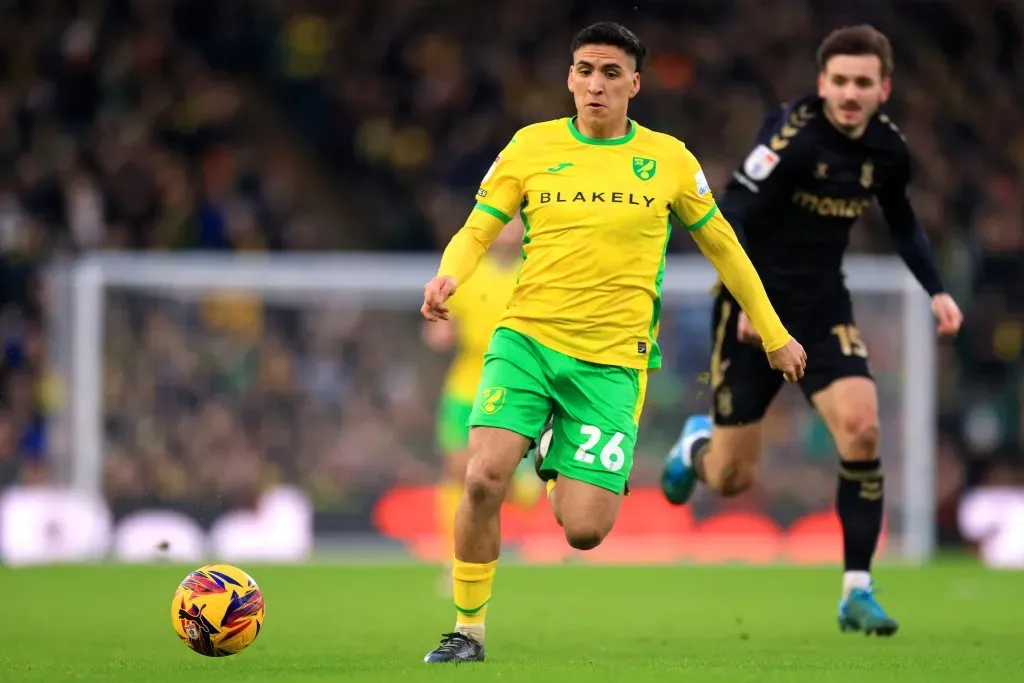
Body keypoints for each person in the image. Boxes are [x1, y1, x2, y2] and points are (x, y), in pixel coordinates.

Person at [420, 21, 806, 663]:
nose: (594, 84)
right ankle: (467, 630)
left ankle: (550, 447)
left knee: (586, 531)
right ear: (570, 78)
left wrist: (774, 333)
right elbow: (476, 229)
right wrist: (448, 275)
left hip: (611, 365)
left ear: (634, 84)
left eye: (608, 73)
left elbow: (724, 248)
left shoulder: (671, 160)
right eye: (583, 71)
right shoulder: (530, 147)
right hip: (528, 343)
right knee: (483, 477)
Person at [660, 25, 963, 636]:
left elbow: (902, 223)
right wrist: (751, 302)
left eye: (863, 83)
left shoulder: (887, 150)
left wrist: (936, 290)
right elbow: (731, 213)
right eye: (841, 81)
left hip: (824, 307)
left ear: (884, 88)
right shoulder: (789, 137)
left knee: (863, 428)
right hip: (754, 311)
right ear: (823, 84)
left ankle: (857, 588)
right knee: (732, 478)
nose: (851, 93)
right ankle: (698, 446)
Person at [422, 217, 542, 594]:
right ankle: (452, 559)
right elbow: (442, 325)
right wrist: (439, 328)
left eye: (514, 226)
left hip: (509, 384)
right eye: (503, 225)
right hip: (464, 385)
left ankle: (523, 488)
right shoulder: (468, 274)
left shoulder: (534, 274)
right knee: (456, 469)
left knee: (488, 477)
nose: (508, 232)